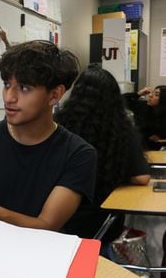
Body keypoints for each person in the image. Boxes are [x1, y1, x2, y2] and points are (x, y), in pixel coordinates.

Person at [0, 40, 97, 241]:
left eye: (24, 88)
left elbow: (47, 226)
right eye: (7, 85)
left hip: (38, 258)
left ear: (54, 95)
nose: (9, 97)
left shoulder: (78, 155)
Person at [55, 66, 150, 243]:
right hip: (104, 222)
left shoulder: (58, 125)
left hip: (59, 218)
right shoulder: (122, 131)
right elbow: (141, 178)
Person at [125, 85, 166, 150]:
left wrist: (162, 137)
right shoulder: (142, 106)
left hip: (157, 150)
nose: (150, 95)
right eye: (152, 92)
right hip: (138, 146)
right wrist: (138, 93)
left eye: (156, 94)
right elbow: (121, 100)